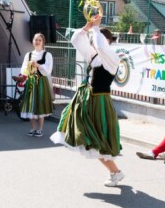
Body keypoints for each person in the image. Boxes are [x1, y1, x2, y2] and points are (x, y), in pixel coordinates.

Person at [50, 15, 125, 187]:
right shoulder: (93, 55)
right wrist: (88, 26)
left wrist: (96, 28)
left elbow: (101, 46)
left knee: (96, 140)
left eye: (99, 38)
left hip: (100, 103)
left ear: (108, 42)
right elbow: (76, 39)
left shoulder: (112, 58)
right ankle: (115, 172)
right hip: (86, 99)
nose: (94, 41)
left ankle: (116, 172)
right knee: (87, 138)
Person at [19, 33, 54, 137]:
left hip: (41, 82)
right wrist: (29, 67)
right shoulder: (28, 54)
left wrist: (38, 65)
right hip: (31, 82)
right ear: (33, 41)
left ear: (43, 42)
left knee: (40, 104)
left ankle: (40, 129)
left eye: (39, 40)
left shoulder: (47, 55)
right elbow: (23, 70)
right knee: (30, 104)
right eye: (35, 39)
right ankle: (33, 128)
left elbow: (48, 70)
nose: (37, 41)